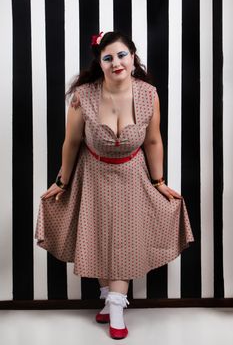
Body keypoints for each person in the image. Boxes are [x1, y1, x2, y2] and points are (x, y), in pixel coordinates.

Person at [35, 31, 194, 340]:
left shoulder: (149, 94)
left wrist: (158, 181)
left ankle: (117, 307)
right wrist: (61, 182)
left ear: (132, 57)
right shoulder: (84, 95)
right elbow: (71, 142)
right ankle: (110, 299)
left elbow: (152, 140)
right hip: (92, 173)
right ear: (100, 63)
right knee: (99, 236)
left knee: (122, 238)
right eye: (108, 58)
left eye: (122, 55)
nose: (116, 62)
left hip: (132, 174)